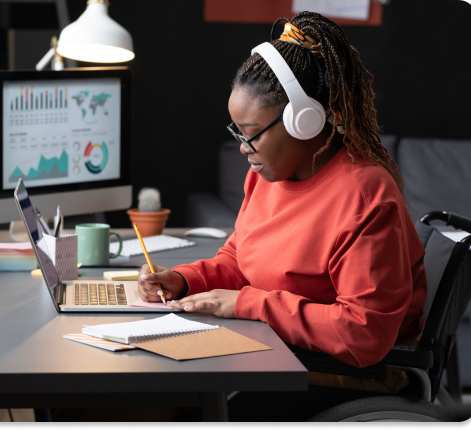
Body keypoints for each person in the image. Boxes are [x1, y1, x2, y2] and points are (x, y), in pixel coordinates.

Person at [136, 11, 427, 422]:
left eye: (250, 133)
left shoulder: (366, 197)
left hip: (343, 372)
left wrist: (248, 304)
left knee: (166, 402)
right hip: (278, 352)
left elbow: (364, 334)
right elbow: (239, 260)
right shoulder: (267, 177)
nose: (242, 147)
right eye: (236, 132)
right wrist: (185, 280)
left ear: (304, 121)